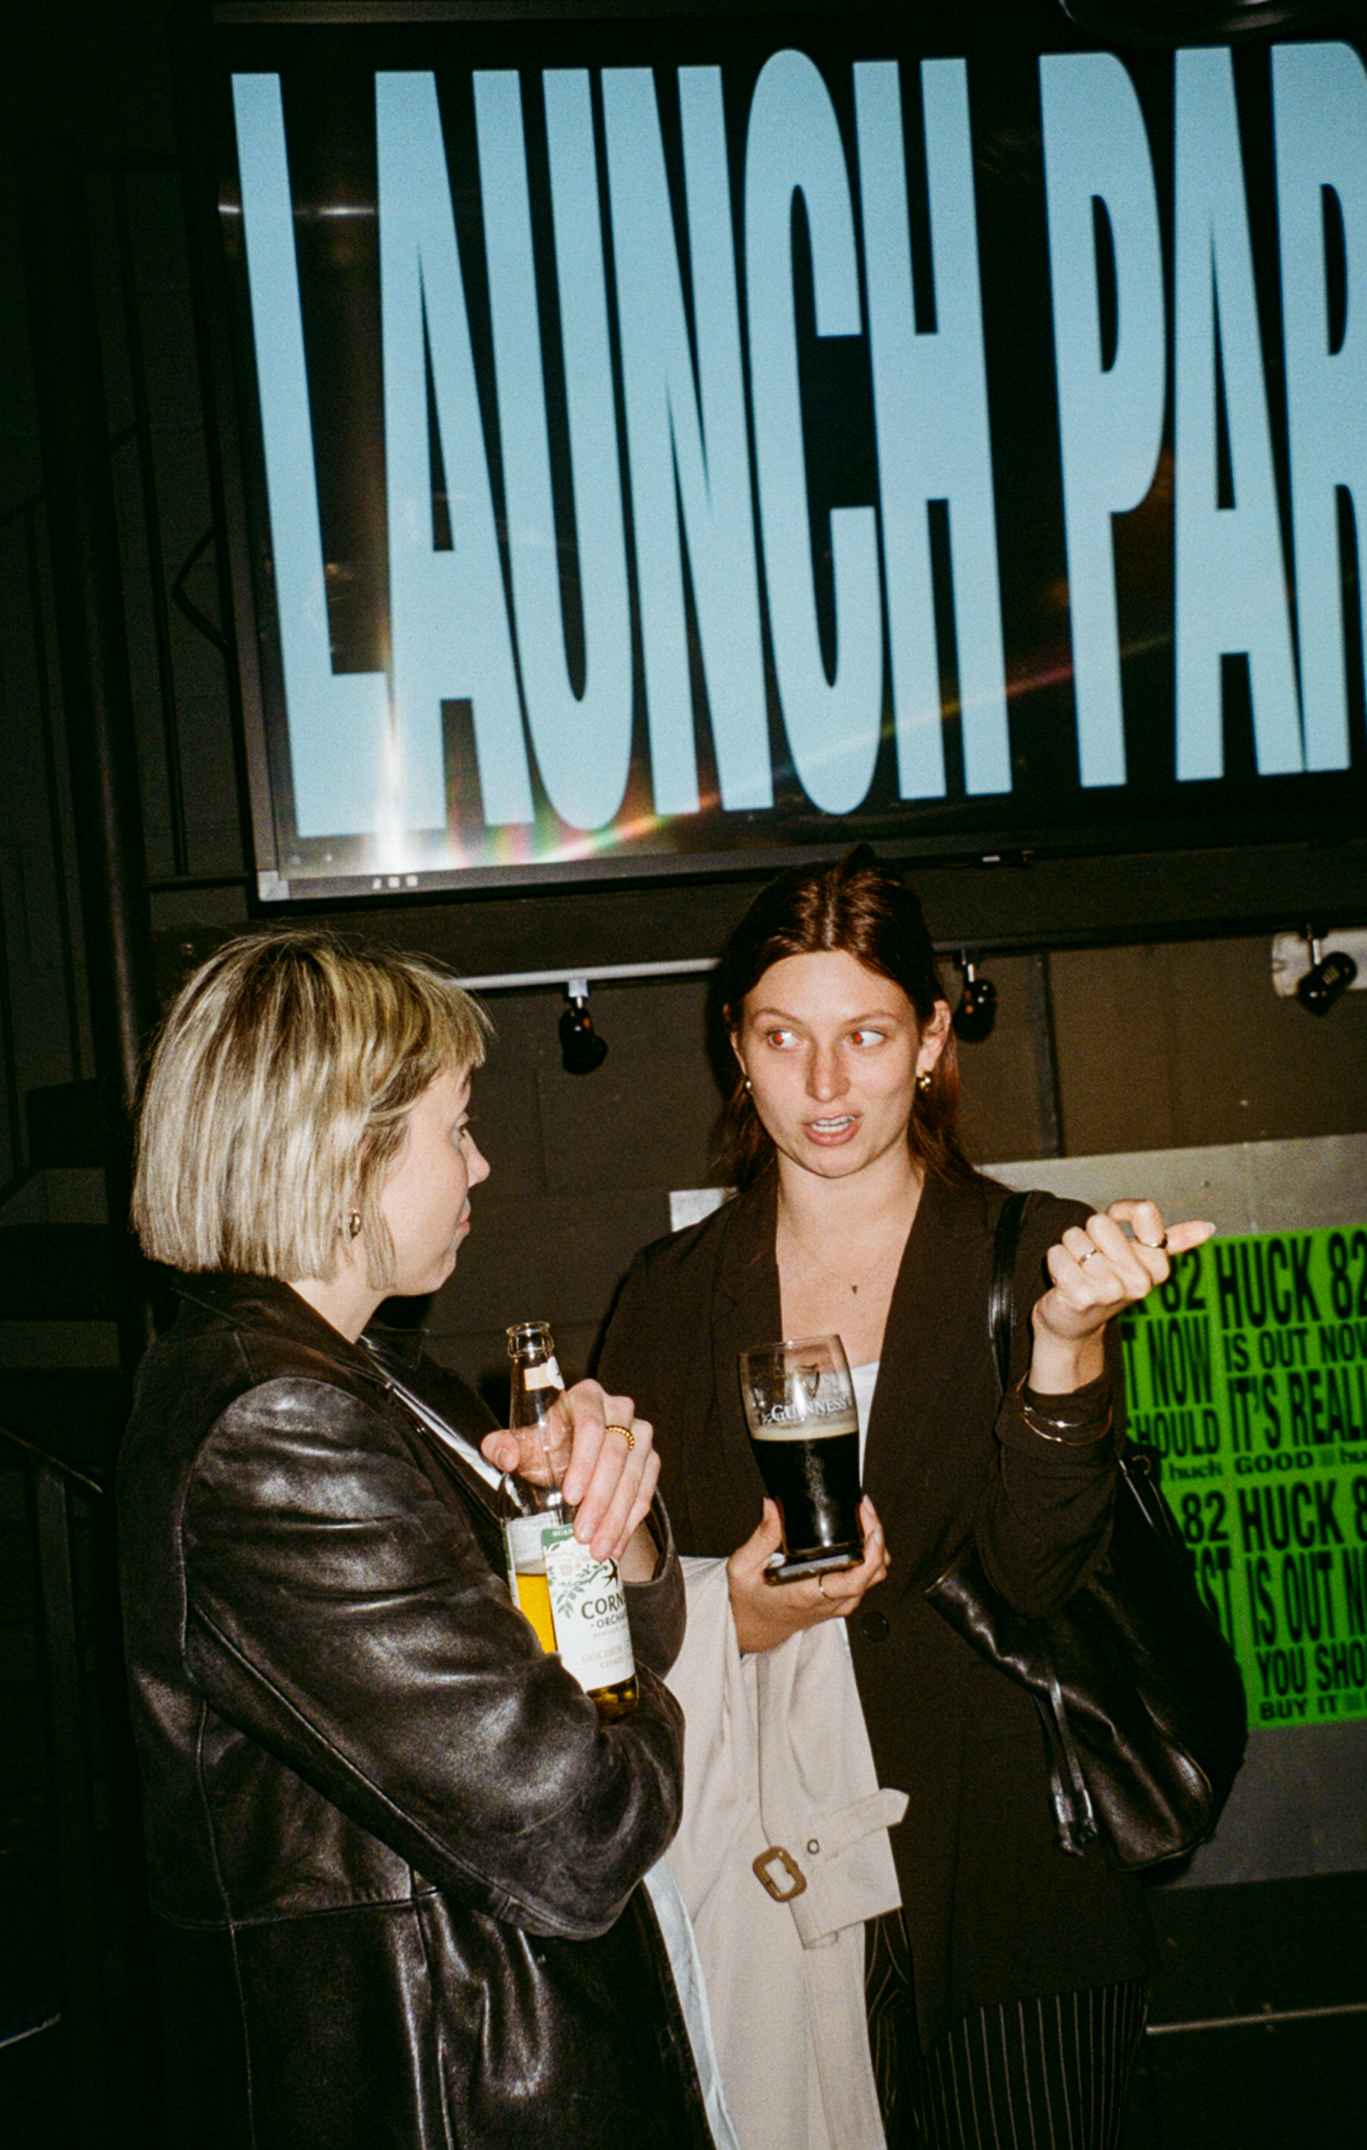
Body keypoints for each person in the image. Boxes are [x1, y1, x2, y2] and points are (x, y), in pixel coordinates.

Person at [598, 848, 1214, 2150]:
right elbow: (604, 1605)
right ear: (737, 1045)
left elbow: (1039, 1577)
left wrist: (1063, 1350)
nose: (825, 1085)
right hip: (770, 1884)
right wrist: (732, 1613)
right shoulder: (667, 1293)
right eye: (785, 1036)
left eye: (867, 1034)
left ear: (931, 1039)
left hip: (1010, 1891)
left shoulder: (1035, 1247)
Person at [118, 930, 726, 2150]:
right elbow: (580, 1829)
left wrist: (605, 1519)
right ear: (344, 1150)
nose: (485, 1162)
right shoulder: (276, 1424)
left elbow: (601, 1634)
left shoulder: (370, 1377)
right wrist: (635, 1693)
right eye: (455, 1127)